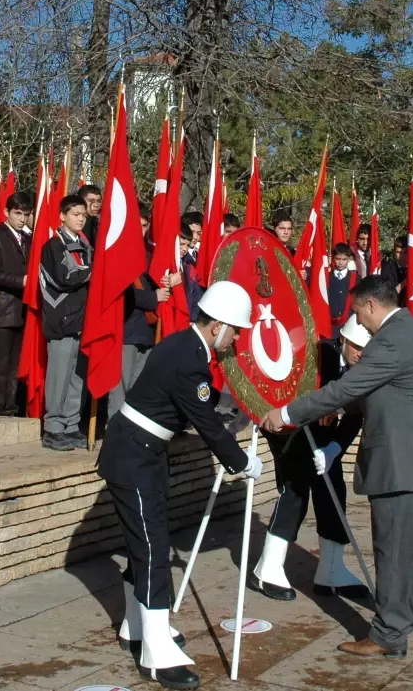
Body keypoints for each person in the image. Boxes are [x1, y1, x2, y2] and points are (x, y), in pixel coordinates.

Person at [262, 276, 413, 659]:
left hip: (402, 467)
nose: (357, 323)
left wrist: (286, 413)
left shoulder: (391, 340)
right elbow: (388, 390)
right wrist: (342, 409)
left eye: (356, 313)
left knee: (395, 553)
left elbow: (347, 387)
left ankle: (389, 634)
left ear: (369, 306)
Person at [98, 281, 262, 691]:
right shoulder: (190, 359)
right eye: (236, 330)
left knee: (147, 543)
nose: (238, 338)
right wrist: (242, 462)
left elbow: (198, 409)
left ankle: (136, 628)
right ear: (218, 326)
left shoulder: (185, 348)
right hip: (134, 455)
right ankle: (155, 652)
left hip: (143, 452)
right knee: (152, 547)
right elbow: (206, 422)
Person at [250, 314, 370, 604]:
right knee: (296, 489)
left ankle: (331, 569)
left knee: (334, 490)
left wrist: (334, 450)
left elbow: (356, 415)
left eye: (366, 349)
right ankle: (268, 565)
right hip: (291, 428)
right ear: (343, 339)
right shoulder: (321, 355)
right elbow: (295, 394)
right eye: (356, 347)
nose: (361, 354)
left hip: (324, 436)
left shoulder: (365, 367)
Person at [108, 204, 172, 424]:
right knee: (120, 383)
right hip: (126, 327)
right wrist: (155, 297)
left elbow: (155, 281)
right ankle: (116, 424)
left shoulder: (148, 254)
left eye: (145, 226)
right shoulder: (118, 252)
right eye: (137, 226)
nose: (141, 230)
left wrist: (169, 282)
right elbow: (126, 293)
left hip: (146, 329)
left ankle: (132, 423)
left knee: (138, 383)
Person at [40, 194, 92, 450]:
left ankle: (71, 425)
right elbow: (65, 276)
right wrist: (95, 270)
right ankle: (53, 427)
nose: (80, 219)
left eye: (83, 215)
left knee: (77, 378)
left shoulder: (85, 245)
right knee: (59, 377)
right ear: (62, 216)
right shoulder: (53, 245)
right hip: (61, 321)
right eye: (75, 214)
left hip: (83, 321)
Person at [0, 192, 31, 416]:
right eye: (17, 213)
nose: (22, 219)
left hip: (23, 310)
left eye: (26, 214)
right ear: (6, 213)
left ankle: (9, 405)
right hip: (1, 309)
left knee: (14, 365)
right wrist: (21, 281)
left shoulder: (29, 239)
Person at [327, 243, 357, 337]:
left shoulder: (355, 279)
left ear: (349, 259)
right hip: (329, 325)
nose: (340, 262)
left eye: (344, 259)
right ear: (333, 258)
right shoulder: (326, 277)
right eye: (338, 259)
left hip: (348, 325)